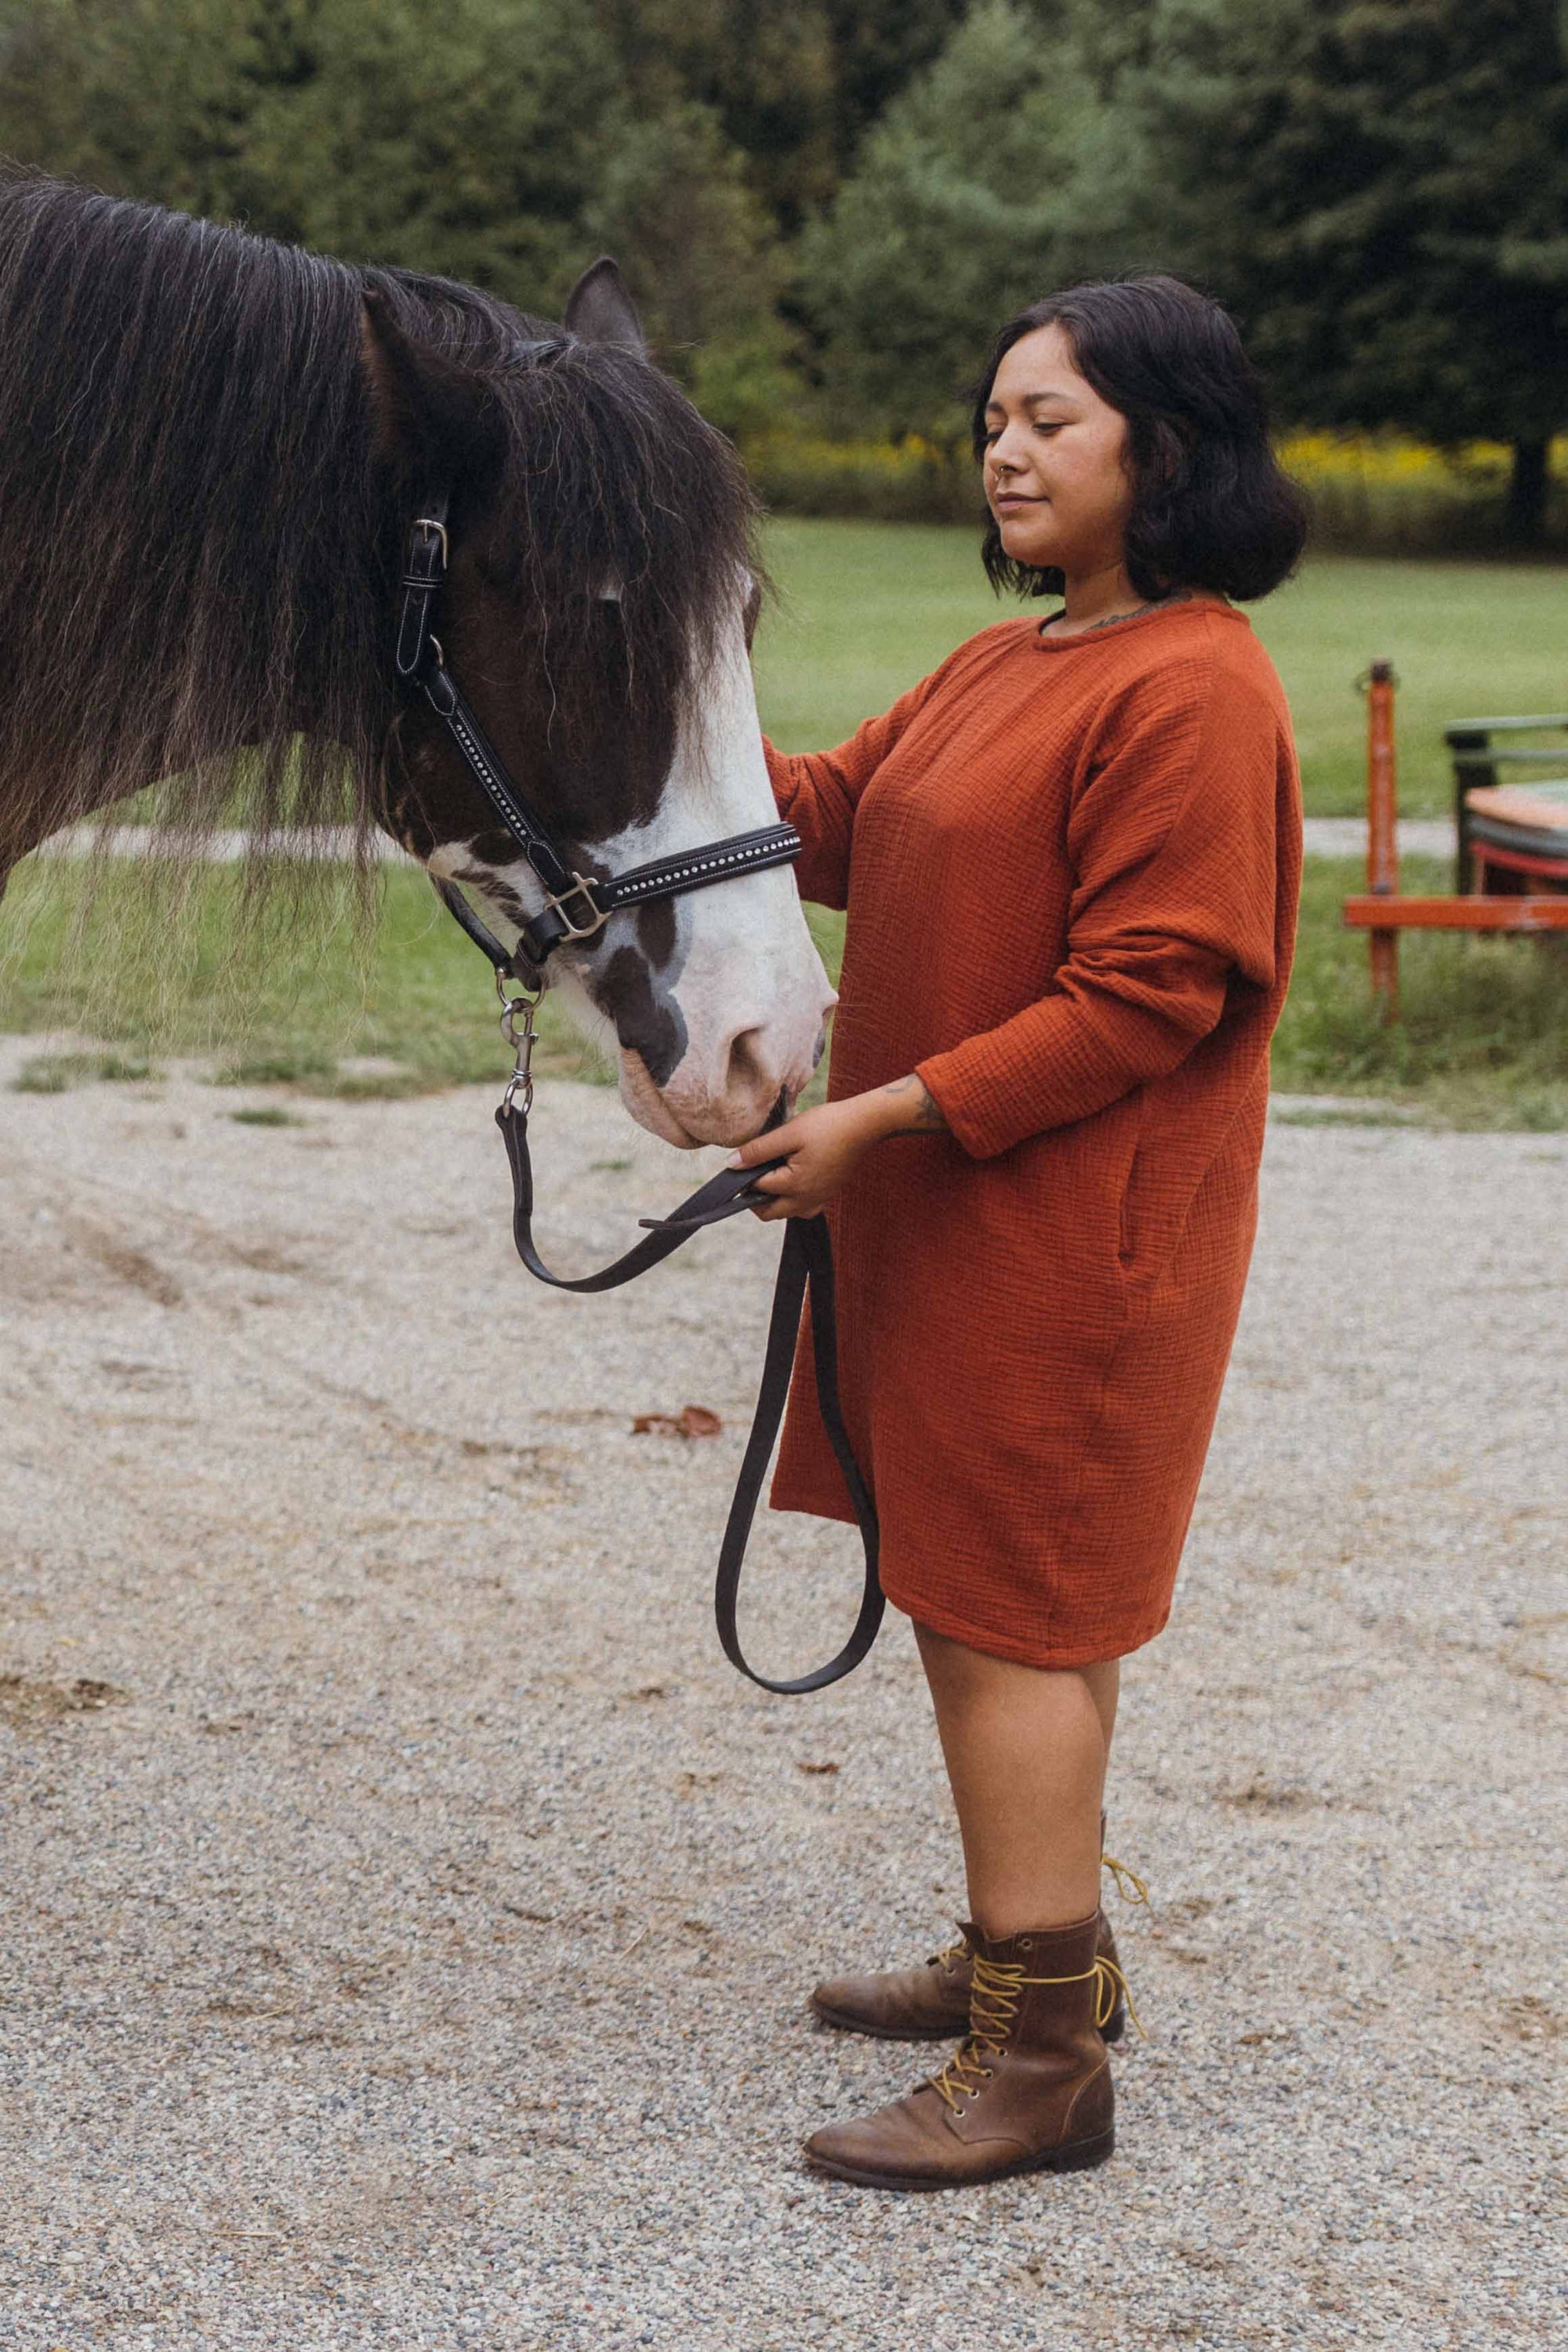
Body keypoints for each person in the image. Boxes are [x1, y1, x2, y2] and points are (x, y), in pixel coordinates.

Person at [729, 274, 1308, 2192]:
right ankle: (1028, 1951)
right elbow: (831, 815)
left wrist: (880, 1119)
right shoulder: (1014, 664)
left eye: (1048, 420)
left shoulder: (1194, 683)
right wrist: (642, 716)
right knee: (991, 1601)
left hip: (1073, 1244)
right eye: (993, 418)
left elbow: (1148, 991)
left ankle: (1041, 2059)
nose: (1002, 449)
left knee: (1007, 1615)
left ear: (1168, 444)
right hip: (961, 1225)